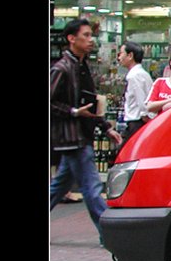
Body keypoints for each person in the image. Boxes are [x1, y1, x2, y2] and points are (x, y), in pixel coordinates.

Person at [50, 18, 123, 241]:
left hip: (82, 135)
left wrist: (106, 128)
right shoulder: (62, 68)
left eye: (91, 35)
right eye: (86, 35)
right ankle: (109, 235)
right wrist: (73, 111)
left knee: (59, 186)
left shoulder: (81, 66)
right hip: (72, 137)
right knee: (92, 187)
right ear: (72, 39)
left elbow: (90, 103)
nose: (91, 40)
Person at [117, 40, 153, 145]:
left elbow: (142, 101)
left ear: (130, 56)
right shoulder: (141, 74)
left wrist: (145, 117)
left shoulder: (135, 76)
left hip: (137, 122)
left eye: (121, 53)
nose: (119, 57)